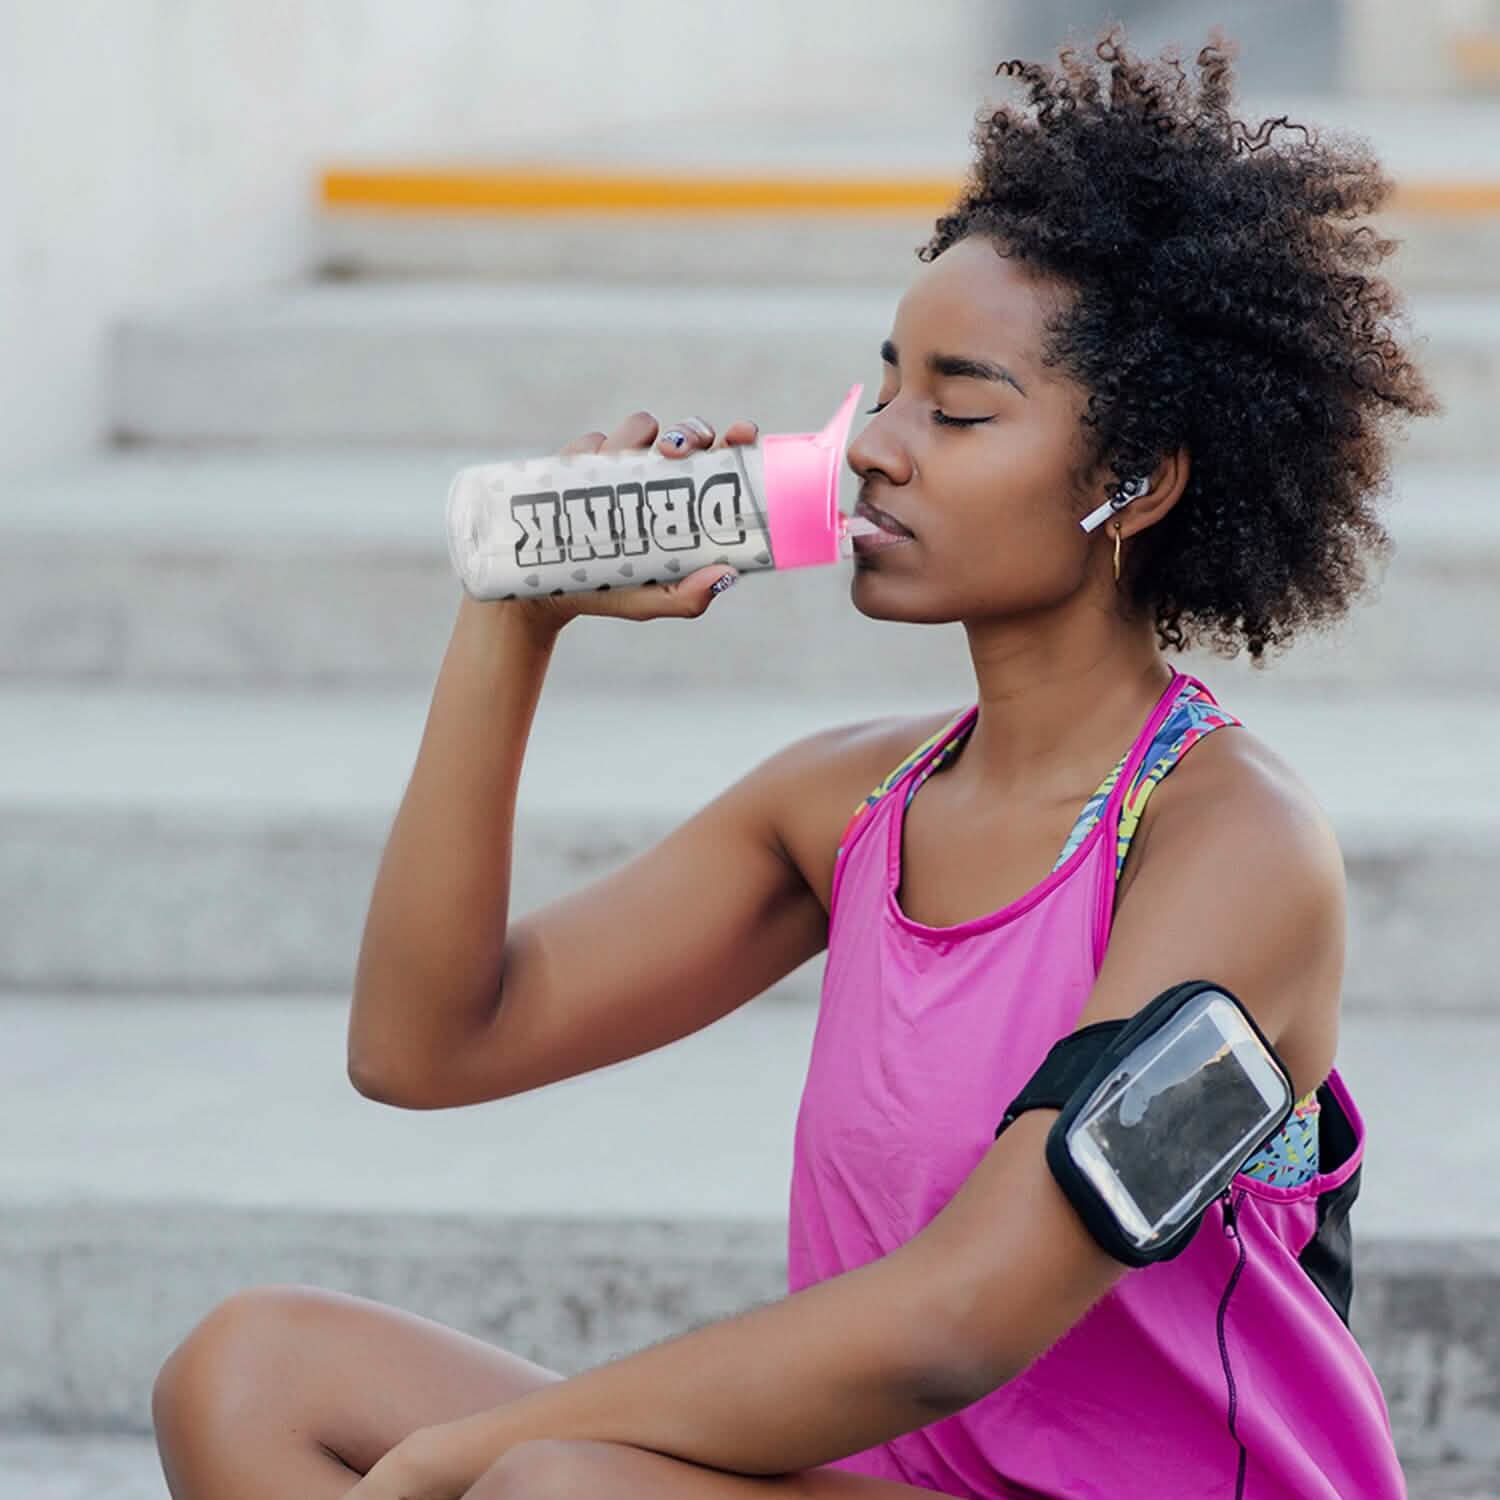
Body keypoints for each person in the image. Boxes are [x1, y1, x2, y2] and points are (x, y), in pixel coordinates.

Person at [150, 25, 1435, 1500]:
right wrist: (512, 625)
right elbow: (422, 1046)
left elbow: (961, 1315)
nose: (879, 446)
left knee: (558, 1492)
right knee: (248, 1374)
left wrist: (461, 1452)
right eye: (882, 387)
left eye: (958, 410)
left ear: (1133, 485)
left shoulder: (1234, 849)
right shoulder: (850, 808)